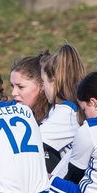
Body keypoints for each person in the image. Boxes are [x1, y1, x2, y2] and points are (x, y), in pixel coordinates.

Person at [38, 43, 86, 177]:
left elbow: (30, 143)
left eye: (43, 82)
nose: (42, 88)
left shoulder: (66, 113)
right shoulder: (64, 109)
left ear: (54, 81)